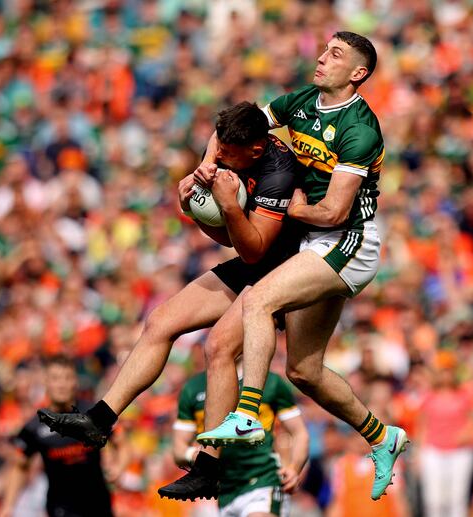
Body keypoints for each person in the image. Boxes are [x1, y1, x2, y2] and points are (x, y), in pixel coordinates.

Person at [35, 102, 301, 499]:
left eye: (228, 153)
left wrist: (223, 205)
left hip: (283, 269)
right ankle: (99, 420)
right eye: (219, 148)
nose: (220, 156)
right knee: (160, 320)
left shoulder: (278, 175)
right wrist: (196, 193)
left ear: (256, 151)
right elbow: (218, 150)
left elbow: (251, 250)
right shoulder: (229, 146)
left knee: (220, 347)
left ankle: (210, 467)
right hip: (255, 258)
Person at [197, 31, 408, 501]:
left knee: (258, 299)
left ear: (358, 73)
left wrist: (286, 207)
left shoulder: (360, 129)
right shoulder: (301, 100)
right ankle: (381, 436)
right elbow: (238, 127)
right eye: (324, 50)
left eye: (335, 54)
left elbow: (333, 212)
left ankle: (247, 415)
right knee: (305, 371)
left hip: (349, 241)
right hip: (315, 242)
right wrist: (209, 163)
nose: (321, 57)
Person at [0, 355, 128, 517]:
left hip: (98, 504)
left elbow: (121, 442)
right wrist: (8, 505)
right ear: (46, 382)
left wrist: (119, 467)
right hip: (60, 508)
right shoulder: (34, 426)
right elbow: (19, 466)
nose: (62, 384)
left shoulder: (93, 413)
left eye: (67, 378)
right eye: (56, 378)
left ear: (75, 381)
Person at [170, 369, 309, 516]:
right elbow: (178, 449)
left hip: (263, 479)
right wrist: (195, 454)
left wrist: (295, 468)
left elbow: (299, 433)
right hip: (224, 491)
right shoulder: (193, 387)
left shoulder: (271, 382)